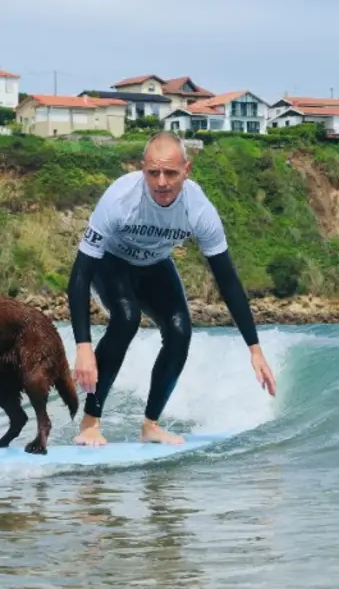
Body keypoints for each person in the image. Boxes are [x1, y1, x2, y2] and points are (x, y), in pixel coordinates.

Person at [66, 131, 277, 446]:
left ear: (187, 171)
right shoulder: (119, 199)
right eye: (153, 172)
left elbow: (227, 279)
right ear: (143, 169)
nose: (161, 182)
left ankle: (150, 425)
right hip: (111, 262)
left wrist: (254, 348)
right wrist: (83, 347)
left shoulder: (200, 210)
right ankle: (90, 422)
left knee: (180, 331)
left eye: (170, 173)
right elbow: (80, 276)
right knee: (126, 317)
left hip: (154, 263)